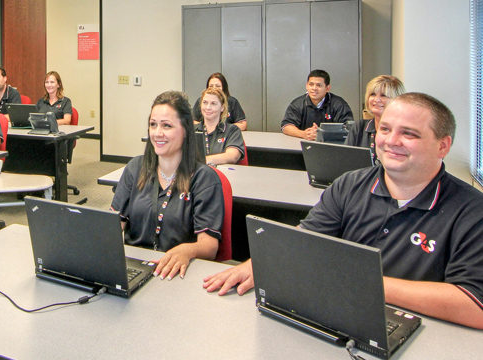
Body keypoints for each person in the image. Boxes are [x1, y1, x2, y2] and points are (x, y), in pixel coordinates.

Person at [204, 93, 483, 329]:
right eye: (385, 130)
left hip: (423, 332)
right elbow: (307, 239)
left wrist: (364, 284)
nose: (391, 140)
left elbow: (474, 304)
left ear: (443, 145)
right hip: (341, 316)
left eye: (408, 134)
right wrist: (264, 262)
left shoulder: (471, 210)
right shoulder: (350, 185)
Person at [111, 91, 224, 281]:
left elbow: (210, 246)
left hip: (178, 273)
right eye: (153, 125)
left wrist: (187, 250)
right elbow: (114, 225)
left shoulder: (204, 179)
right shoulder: (135, 168)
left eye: (167, 126)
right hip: (134, 269)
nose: (157, 133)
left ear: (185, 130)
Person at [345, 75, 405, 164]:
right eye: (373, 94)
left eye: (383, 95)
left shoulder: (403, 131)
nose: (376, 100)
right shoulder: (359, 127)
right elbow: (345, 161)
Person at [281, 69, 354, 140]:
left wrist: (322, 134)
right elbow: (286, 126)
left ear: (327, 88)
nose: (314, 88)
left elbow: (348, 128)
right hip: (302, 145)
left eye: (319, 85)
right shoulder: (297, 104)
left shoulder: (339, 104)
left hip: (331, 146)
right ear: (306, 86)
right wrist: (304, 134)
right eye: (311, 84)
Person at [195, 87, 245, 165]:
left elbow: (232, 156)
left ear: (222, 107)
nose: (208, 107)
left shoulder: (232, 130)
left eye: (213, 104)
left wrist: (204, 160)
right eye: (205, 102)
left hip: (223, 175)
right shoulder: (191, 130)